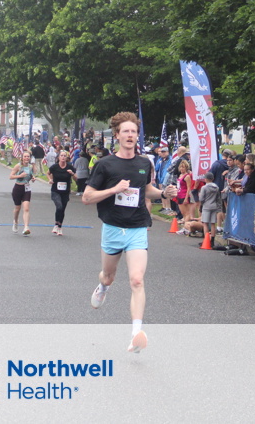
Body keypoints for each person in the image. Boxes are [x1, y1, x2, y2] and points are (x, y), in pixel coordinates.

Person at [82, 112, 176, 353]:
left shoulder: (144, 163)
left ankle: (136, 334)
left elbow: (146, 190)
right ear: (117, 135)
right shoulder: (105, 164)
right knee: (108, 276)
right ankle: (103, 287)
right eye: (126, 131)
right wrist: (113, 190)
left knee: (136, 279)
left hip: (137, 227)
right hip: (113, 228)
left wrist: (163, 193)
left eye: (134, 131)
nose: (130, 135)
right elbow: (87, 197)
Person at [48, 150, 77, 236]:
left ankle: (59, 226)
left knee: (62, 209)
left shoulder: (70, 167)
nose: (63, 157)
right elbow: (48, 173)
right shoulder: (55, 167)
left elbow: (76, 179)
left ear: (67, 158)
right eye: (62, 155)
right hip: (55, 191)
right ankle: (56, 224)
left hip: (65, 191)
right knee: (59, 206)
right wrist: (50, 179)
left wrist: (72, 174)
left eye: (65, 156)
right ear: (58, 157)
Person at [9, 151, 34, 235]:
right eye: (25, 156)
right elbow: (11, 176)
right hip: (18, 188)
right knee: (17, 208)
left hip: (26, 189)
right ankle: (15, 221)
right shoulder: (18, 166)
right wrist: (20, 176)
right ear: (22, 158)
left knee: (26, 208)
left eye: (28, 156)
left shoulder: (31, 167)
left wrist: (33, 178)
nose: (26, 158)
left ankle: (26, 227)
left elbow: (31, 175)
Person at [198, 171, 220, 245]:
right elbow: (218, 198)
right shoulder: (216, 187)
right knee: (213, 223)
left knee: (205, 223)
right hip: (214, 206)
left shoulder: (204, 187)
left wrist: (200, 196)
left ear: (206, 179)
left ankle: (206, 240)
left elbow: (201, 199)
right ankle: (212, 240)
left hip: (206, 206)